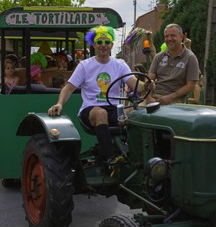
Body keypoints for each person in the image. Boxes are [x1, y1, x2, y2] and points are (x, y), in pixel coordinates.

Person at [48, 25, 155, 169]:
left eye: (107, 42)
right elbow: (69, 87)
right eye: (99, 42)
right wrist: (60, 103)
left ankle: (138, 159)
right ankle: (110, 160)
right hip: (91, 110)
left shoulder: (119, 64)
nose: (103, 46)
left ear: (111, 45)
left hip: (114, 109)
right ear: (93, 44)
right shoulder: (85, 66)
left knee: (139, 113)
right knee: (101, 113)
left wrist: (147, 85)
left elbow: (135, 84)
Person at [146, 23, 199, 105]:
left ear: (181, 37)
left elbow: (191, 86)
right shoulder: (159, 56)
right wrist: (149, 97)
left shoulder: (190, 58)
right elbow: (149, 80)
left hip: (176, 101)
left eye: (173, 35)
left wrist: (171, 97)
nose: (169, 39)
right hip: (154, 97)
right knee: (129, 113)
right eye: (167, 36)